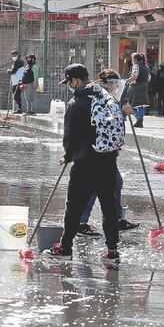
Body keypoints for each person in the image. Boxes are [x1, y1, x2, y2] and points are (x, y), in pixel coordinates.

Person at [44, 64, 123, 264]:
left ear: (76, 80)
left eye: (69, 81)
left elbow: (70, 136)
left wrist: (68, 155)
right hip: (108, 160)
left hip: (85, 163)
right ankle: (112, 250)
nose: (69, 85)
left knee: (74, 207)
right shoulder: (107, 97)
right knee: (109, 206)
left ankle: (65, 247)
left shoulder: (76, 102)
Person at [78, 69, 139, 236]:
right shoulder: (99, 96)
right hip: (97, 150)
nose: (116, 87)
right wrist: (122, 113)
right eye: (115, 83)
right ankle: (82, 222)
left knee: (114, 183)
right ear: (108, 82)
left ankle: (116, 219)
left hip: (103, 149)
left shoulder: (104, 97)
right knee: (95, 187)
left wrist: (121, 114)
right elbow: (104, 122)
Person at [126, 52, 150, 128]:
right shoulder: (146, 67)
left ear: (135, 59)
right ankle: (140, 121)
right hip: (144, 86)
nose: (132, 60)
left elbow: (135, 76)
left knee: (130, 104)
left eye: (133, 58)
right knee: (141, 105)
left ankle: (138, 118)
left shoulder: (136, 66)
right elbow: (149, 78)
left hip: (136, 86)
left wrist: (127, 81)